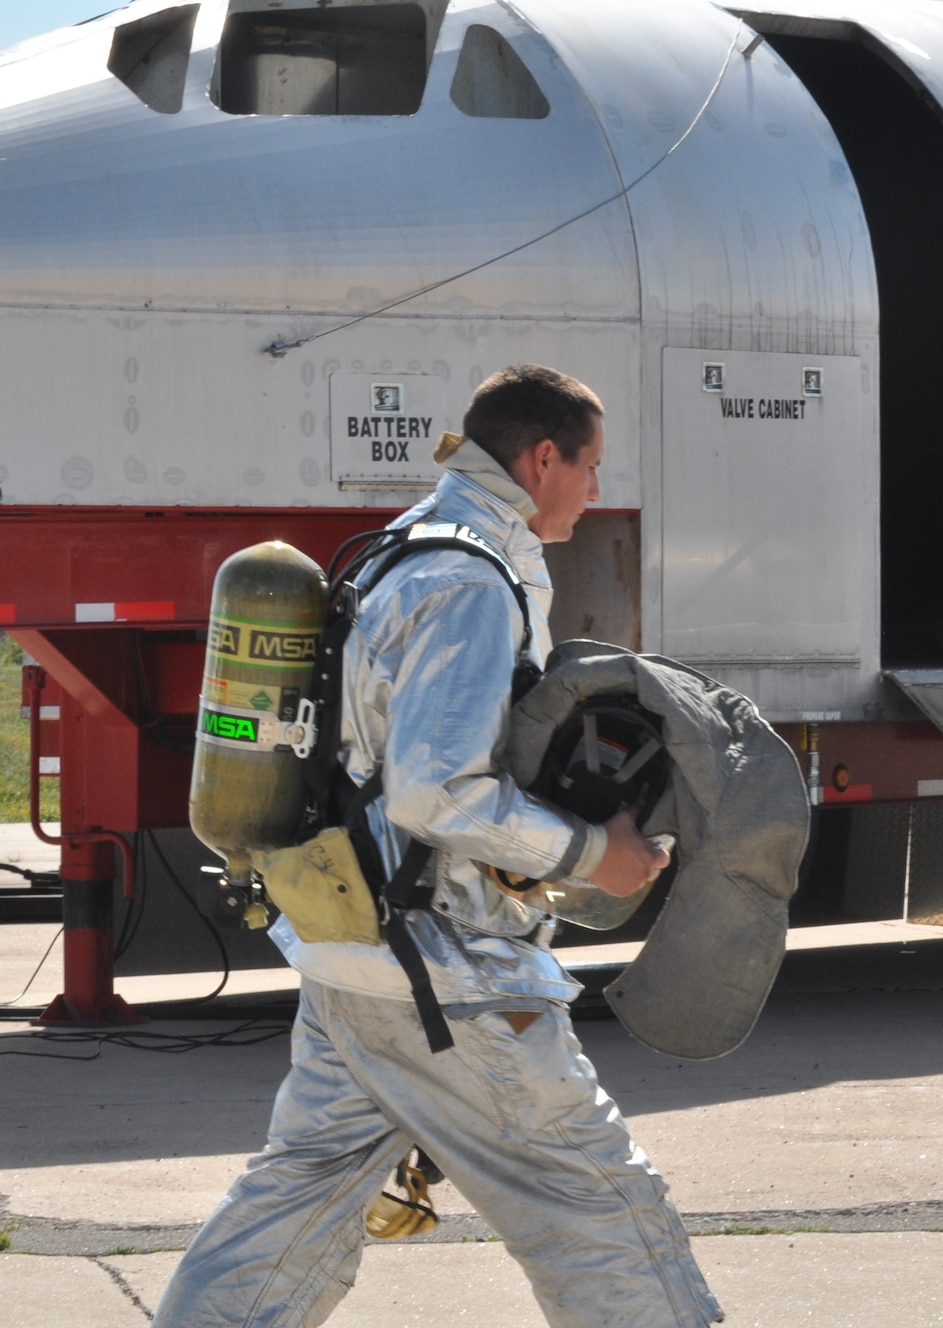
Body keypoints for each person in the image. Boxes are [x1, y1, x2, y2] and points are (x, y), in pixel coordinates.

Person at [155, 366, 720, 1328]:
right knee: (605, 1213)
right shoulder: (468, 581)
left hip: (352, 955)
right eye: (589, 466)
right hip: (448, 975)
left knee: (291, 1210)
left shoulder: (400, 548)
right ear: (543, 459)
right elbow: (436, 788)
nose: (594, 490)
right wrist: (594, 854)